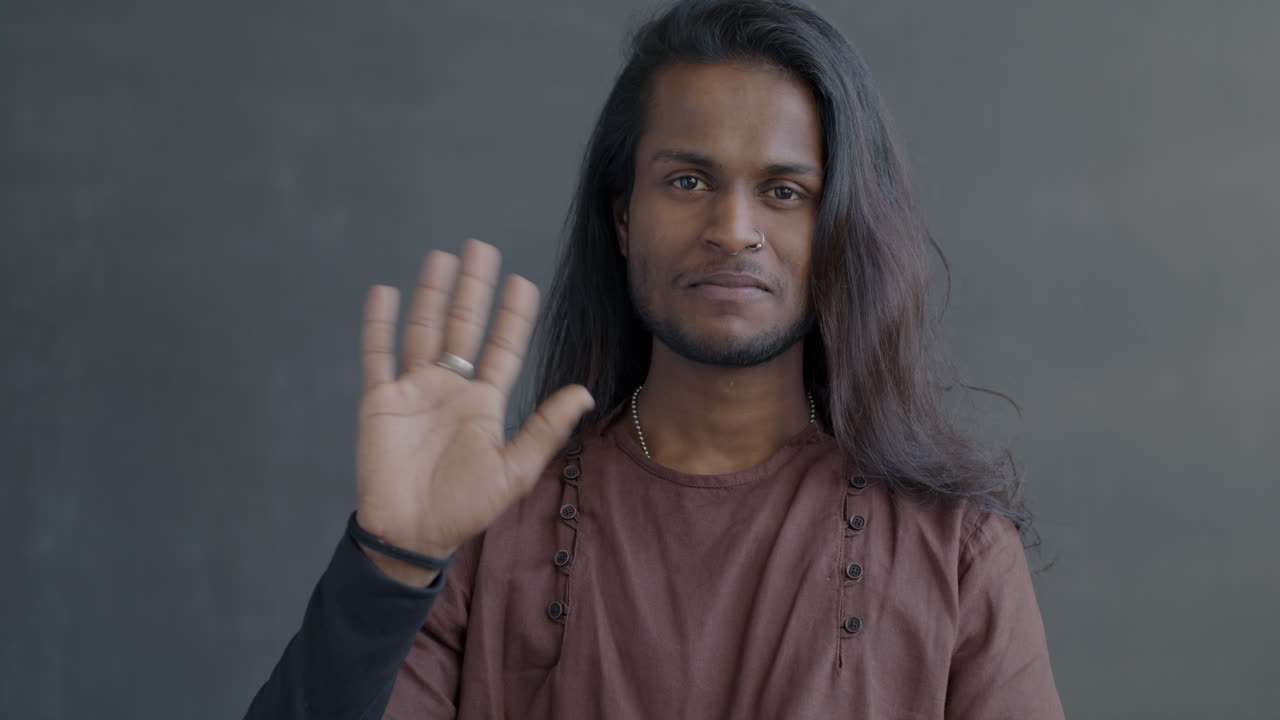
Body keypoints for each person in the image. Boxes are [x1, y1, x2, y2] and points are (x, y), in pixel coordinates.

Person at [245, 0, 1066, 717]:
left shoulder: (956, 551)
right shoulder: (480, 531)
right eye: (686, 181)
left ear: (839, 231)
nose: (733, 228)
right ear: (624, 217)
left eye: (785, 192)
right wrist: (390, 560)